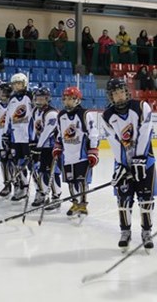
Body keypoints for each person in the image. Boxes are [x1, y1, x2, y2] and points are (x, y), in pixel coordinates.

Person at [102, 78, 157, 251]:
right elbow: (114, 142)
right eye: (114, 93)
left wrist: (140, 159)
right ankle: (125, 231)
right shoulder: (107, 115)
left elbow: (145, 134)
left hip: (146, 162)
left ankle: (146, 232)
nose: (118, 96)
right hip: (123, 163)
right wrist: (122, 166)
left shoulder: (141, 107)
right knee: (123, 201)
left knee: (146, 201)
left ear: (126, 91)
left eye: (120, 91)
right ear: (110, 97)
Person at [52, 86, 99, 220]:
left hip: (81, 155)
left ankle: (83, 204)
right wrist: (57, 146)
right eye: (65, 99)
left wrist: (93, 151)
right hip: (67, 156)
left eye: (70, 99)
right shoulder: (61, 115)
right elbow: (60, 134)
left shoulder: (84, 114)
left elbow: (93, 134)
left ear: (77, 100)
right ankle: (75, 203)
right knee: (71, 182)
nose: (67, 102)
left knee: (82, 181)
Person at [28, 87, 62, 208]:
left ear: (48, 99)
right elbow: (33, 129)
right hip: (41, 147)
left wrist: (38, 147)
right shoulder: (34, 112)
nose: (40, 100)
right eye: (38, 98)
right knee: (39, 171)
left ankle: (56, 197)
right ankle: (42, 192)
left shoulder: (51, 113)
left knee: (52, 172)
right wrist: (32, 142)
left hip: (52, 148)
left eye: (43, 98)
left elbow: (47, 132)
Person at [3, 73, 34, 201]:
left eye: (19, 83)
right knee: (18, 164)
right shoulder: (12, 99)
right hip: (16, 138)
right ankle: (23, 187)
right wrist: (6, 133)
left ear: (25, 84)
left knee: (33, 166)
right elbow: (8, 119)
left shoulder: (30, 97)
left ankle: (41, 191)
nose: (16, 86)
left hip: (28, 138)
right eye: (14, 84)